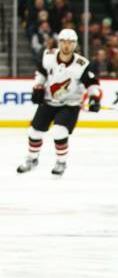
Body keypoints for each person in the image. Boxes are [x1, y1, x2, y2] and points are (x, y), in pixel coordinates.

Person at [16, 28, 101, 177]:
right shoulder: (48, 56)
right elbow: (41, 73)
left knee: (59, 131)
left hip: (70, 104)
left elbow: (92, 83)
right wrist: (38, 86)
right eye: (63, 42)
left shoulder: (82, 64)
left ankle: (61, 162)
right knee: (34, 132)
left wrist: (95, 98)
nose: (67, 45)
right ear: (59, 42)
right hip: (49, 101)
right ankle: (32, 160)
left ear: (75, 45)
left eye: (70, 42)